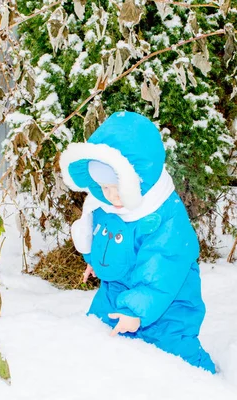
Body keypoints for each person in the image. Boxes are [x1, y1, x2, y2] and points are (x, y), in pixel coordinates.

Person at [58, 111, 216, 373]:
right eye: (104, 188)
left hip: (167, 304)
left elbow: (162, 269)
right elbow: (102, 235)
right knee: (99, 335)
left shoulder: (165, 217)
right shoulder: (106, 203)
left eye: (117, 187)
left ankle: (208, 385)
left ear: (139, 178)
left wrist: (136, 309)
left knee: (174, 355)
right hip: (115, 291)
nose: (111, 196)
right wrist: (95, 261)